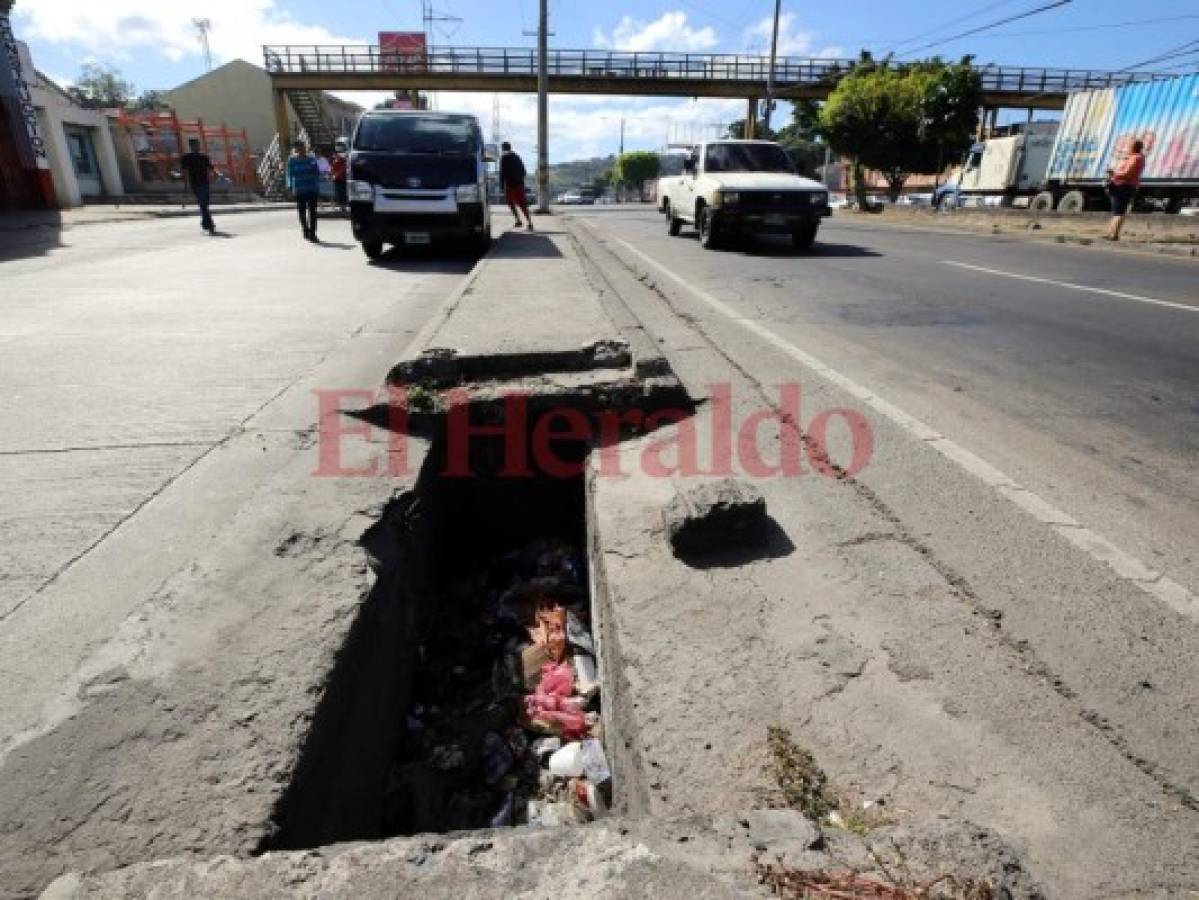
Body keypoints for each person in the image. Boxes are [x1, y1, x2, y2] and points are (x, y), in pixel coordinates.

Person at [1105, 138, 1145, 242]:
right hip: (1121, 185)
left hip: (1124, 186)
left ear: (1133, 147)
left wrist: (1113, 173)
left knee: (1119, 212)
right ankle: (1110, 233)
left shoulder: (1136, 158)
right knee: (1116, 211)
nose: (1127, 148)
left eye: (1129, 146)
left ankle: (1114, 235)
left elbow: (1127, 174)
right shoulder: (1133, 157)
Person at [179, 138, 216, 234]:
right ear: (191, 146)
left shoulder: (204, 157)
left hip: (205, 183)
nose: (197, 147)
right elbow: (184, 172)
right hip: (195, 184)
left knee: (205, 204)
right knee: (203, 204)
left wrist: (215, 174)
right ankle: (210, 225)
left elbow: (211, 168)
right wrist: (186, 185)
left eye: (198, 145)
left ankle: (205, 223)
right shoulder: (186, 158)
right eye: (195, 145)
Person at [287, 140, 321, 241]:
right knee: (302, 211)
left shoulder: (311, 158)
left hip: (312, 189)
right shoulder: (292, 160)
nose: (301, 150)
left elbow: (317, 172)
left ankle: (313, 233)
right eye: (298, 148)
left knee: (313, 212)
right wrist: (290, 186)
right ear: (295, 149)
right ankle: (305, 230)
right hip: (300, 189)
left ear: (305, 147)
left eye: (302, 147)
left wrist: (317, 185)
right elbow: (289, 174)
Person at [499, 141, 534, 230]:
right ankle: (529, 222)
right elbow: (524, 171)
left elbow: (502, 173)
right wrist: (520, 179)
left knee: (511, 203)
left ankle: (518, 220)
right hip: (519, 184)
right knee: (522, 204)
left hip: (509, 185)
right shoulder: (517, 156)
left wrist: (501, 185)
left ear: (503, 148)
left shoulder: (503, 157)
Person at [330, 139, 348, 213]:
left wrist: (336, 174)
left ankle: (343, 206)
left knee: (342, 193)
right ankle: (341, 206)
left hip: (342, 179)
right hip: (336, 179)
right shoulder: (334, 161)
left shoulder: (342, 160)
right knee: (338, 193)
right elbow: (332, 169)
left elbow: (344, 168)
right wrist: (332, 174)